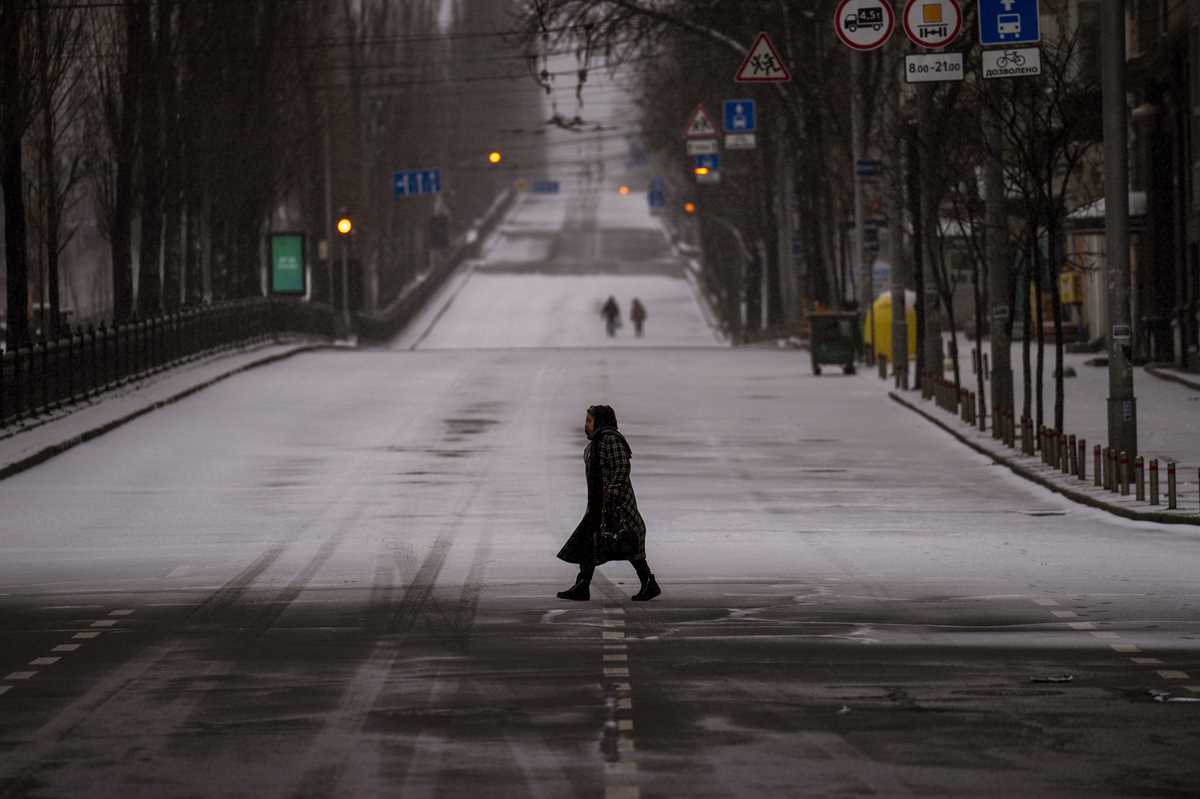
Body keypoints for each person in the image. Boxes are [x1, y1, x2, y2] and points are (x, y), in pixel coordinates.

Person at [556, 404, 660, 602]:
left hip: (617, 507)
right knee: (588, 544)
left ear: (601, 422)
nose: (586, 425)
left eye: (590, 421)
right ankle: (582, 586)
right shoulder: (595, 444)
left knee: (629, 544)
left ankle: (648, 582)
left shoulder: (610, 440)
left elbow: (622, 467)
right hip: (598, 507)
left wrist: (612, 494)